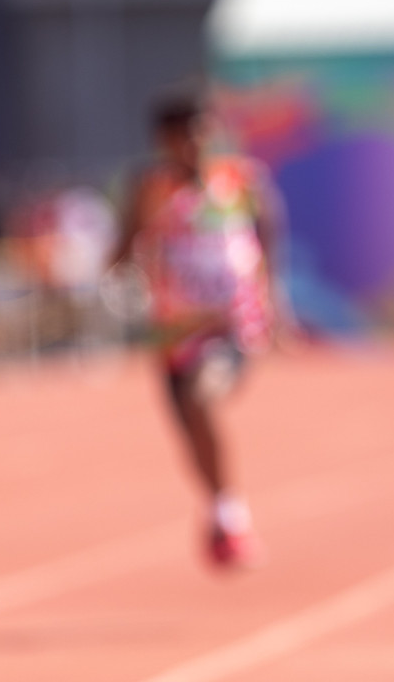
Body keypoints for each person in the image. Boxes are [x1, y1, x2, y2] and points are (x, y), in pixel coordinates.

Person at [111, 87, 289, 567]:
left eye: (203, 132)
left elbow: (268, 230)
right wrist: (122, 266)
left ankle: (231, 521)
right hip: (172, 331)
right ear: (163, 140)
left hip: (232, 323)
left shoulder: (242, 179)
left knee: (200, 395)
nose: (195, 144)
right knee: (190, 431)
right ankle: (223, 512)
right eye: (182, 136)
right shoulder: (148, 186)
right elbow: (121, 250)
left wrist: (274, 297)